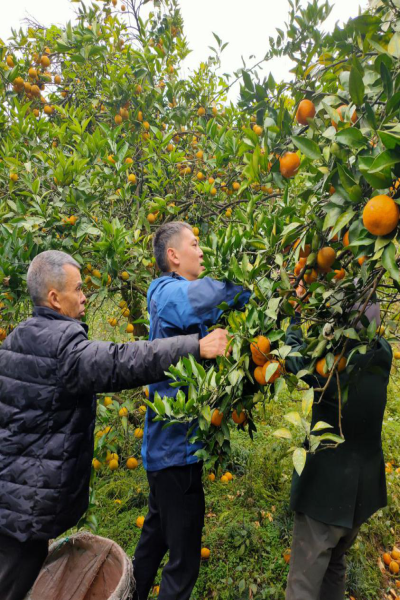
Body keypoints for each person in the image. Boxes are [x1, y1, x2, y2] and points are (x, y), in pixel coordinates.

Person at [0, 250, 231, 600]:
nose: (85, 296)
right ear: (54, 298)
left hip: (12, 499)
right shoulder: (64, 348)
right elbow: (123, 362)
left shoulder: (16, 338)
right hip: (26, 510)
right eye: (78, 289)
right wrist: (195, 347)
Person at [133, 222, 251, 600]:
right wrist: (258, 283)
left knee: (152, 545)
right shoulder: (167, 293)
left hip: (168, 453)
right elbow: (204, 298)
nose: (201, 251)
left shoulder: (181, 298)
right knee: (183, 565)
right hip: (174, 453)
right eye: (195, 244)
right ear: (173, 255)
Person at [284, 296, 392, 600]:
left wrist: (295, 312)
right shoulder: (383, 352)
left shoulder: (331, 366)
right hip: (361, 494)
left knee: (303, 585)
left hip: (326, 495)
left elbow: (292, 355)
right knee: (334, 564)